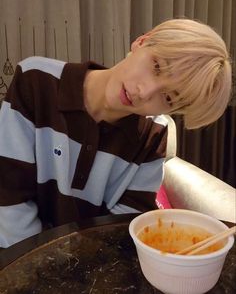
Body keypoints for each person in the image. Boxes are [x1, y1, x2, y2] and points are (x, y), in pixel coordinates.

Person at [0, 18, 232, 248]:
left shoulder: (153, 135)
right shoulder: (36, 80)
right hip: (16, 258)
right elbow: (9, 198)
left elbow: (122, 227)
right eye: (157, 66)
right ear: (142, 41)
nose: (145, 91)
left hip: (85, 269)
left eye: (168, 98)